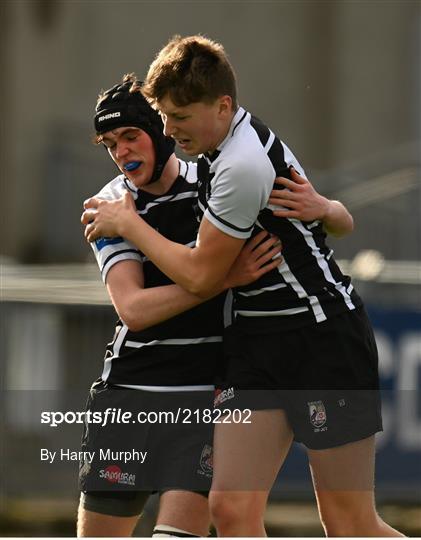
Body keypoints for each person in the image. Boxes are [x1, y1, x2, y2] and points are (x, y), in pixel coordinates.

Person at [80, 35, 399, 537]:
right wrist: (332, 211)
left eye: (178, 118)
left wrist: (132, 227)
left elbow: (202, 276)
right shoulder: (209, 146)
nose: (169, 130)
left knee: (349, 523)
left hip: (322, 339)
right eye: (163, 117)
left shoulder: (239, 164)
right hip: (252, 343)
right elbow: (321, 221)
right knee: (229, 511)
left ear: (222, 105)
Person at [77, 73, 285, 538]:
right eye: (111, 143)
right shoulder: (111, 206)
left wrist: (330, 209)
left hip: (203, 402)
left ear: (162, 131)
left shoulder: (215, 184)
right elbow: (133, 309)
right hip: (130, 398)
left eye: (131, 136)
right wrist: (222, 279)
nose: (122, 153)